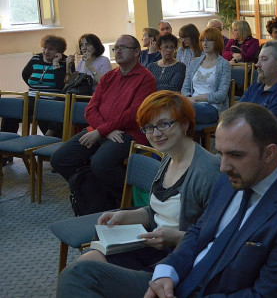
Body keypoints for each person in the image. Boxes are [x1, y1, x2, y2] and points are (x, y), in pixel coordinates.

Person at [56, 102, 277, 298]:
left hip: (205, 291)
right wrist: (166, 273)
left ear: (269, 153)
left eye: (236, 155)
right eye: (221, 153)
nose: (223, 166)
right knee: (79, 275)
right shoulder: (232, 178)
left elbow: (266, 296)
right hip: (179, 279)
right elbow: (198, 233)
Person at [76, 91, 221, 270]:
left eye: (164, 124)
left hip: (177, 259)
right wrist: (127, 216)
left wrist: (175, 237)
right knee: (86, 262)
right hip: (154, 244)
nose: (156, 134)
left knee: (85, 271)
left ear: (185, 124)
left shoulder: (208, 172)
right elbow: (160, 211)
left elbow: (217, 238)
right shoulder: (169, 157)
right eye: (149, 127)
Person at [51, 35, 157, 209]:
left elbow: (133, 115)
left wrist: (101, 131)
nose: (118, 51)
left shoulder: (146, 79)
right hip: (101, 130)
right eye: (116, 48)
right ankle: (96, 195)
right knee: (60, 159)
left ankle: (127, 200)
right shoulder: (109, 77)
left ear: (137, 52)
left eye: (123, 47)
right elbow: (90, 109)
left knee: (100, 163)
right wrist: (104, 130)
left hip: (129, 133)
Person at [1, 34, 73, 136]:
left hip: (51, 99)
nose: (46, 52)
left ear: (59, 52)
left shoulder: (66, 61)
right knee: (10, 110)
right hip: (32, 97)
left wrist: (56, 63)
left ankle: (50, 140)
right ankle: (6, 139)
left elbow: (61, 85)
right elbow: (25, 74)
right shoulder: (36, 58)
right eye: (44, 48)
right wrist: (35, 88)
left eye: (51, 49)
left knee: (45, 115)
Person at [181, 27, 231, 124]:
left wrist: (196, 98)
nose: (205, 43)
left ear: (216, 42)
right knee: (172, 108)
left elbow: (221, 95)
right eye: (203, 40)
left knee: (181, 114)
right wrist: (188, 98)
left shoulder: (224, 64)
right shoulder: (194, 62)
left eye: (209, 40)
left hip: (212, 107)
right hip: (192, 104)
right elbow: (185, 88)